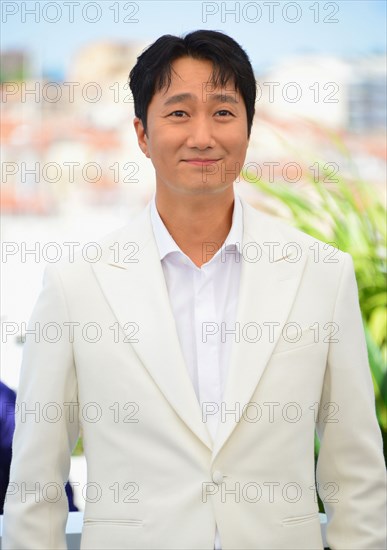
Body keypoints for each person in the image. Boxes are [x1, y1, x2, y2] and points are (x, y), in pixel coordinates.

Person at [2, 30, 386, 550]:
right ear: (141, 133)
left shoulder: (320, 273)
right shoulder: (76, 285)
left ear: (249, 129)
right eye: (179, 113)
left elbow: (356, 475)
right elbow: (35, 487)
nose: (202, 136)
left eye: (224, 112)